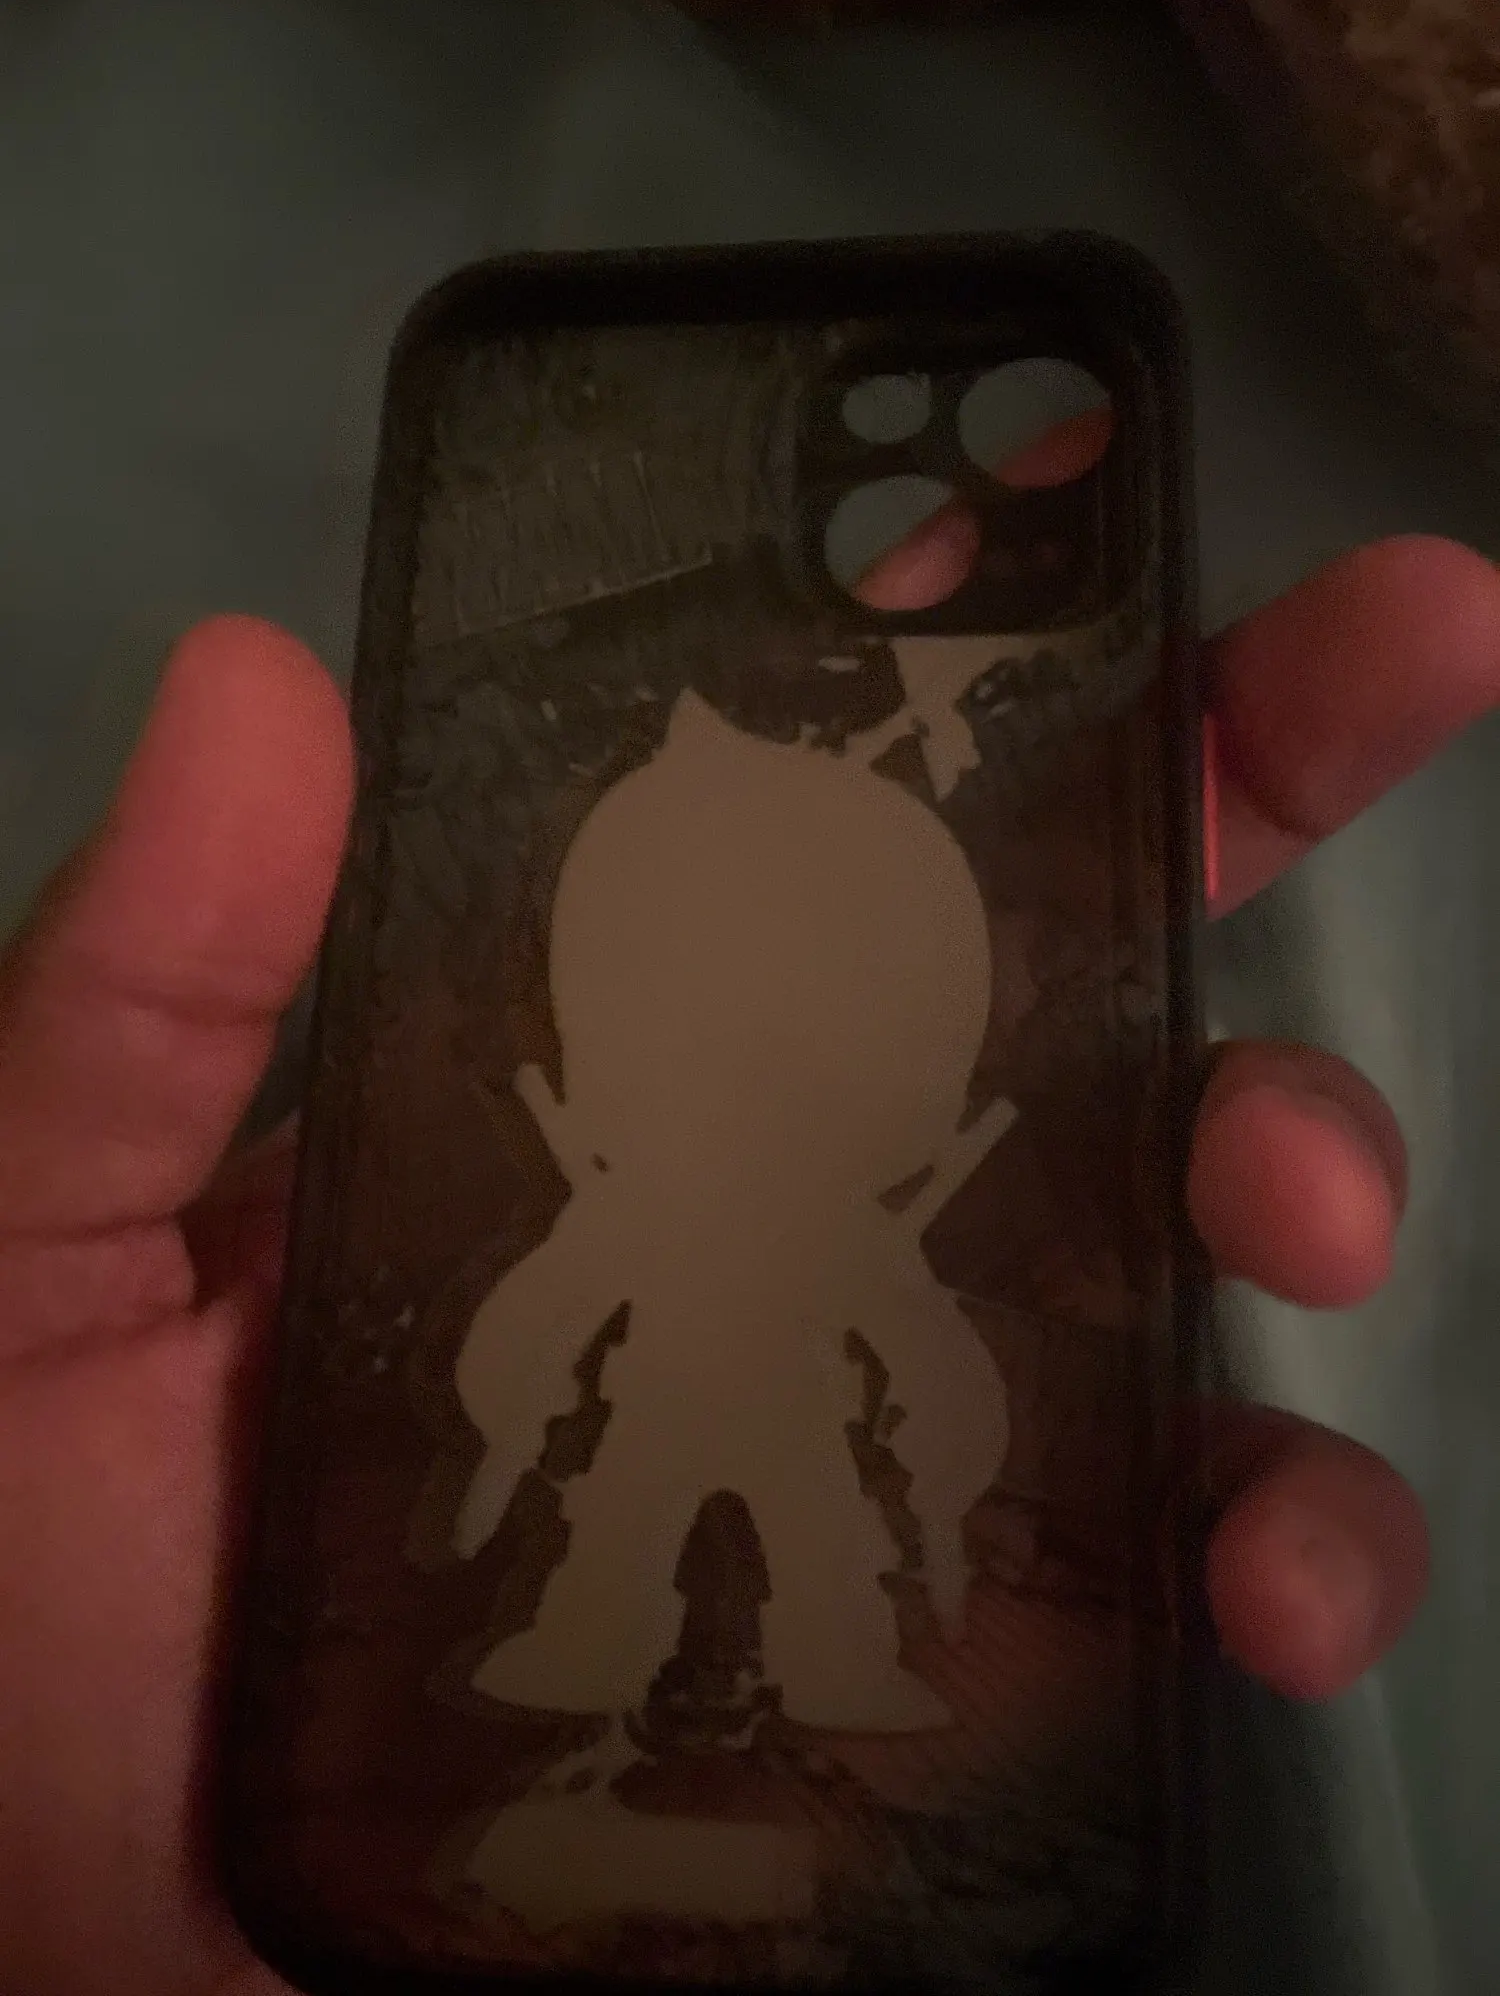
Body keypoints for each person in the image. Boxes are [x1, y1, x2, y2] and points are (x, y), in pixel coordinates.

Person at [0, 535, 1493, 1993]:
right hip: (643, 1445)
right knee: (622, 1558)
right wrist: (508, 1421)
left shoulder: (832, 1232)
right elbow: (544, 1321)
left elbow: (919, 1360)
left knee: (814, 1565)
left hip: (787, 1445)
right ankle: (614, 1643)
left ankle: (806, 1651)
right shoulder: (613, 1210)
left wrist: (939, 1466)